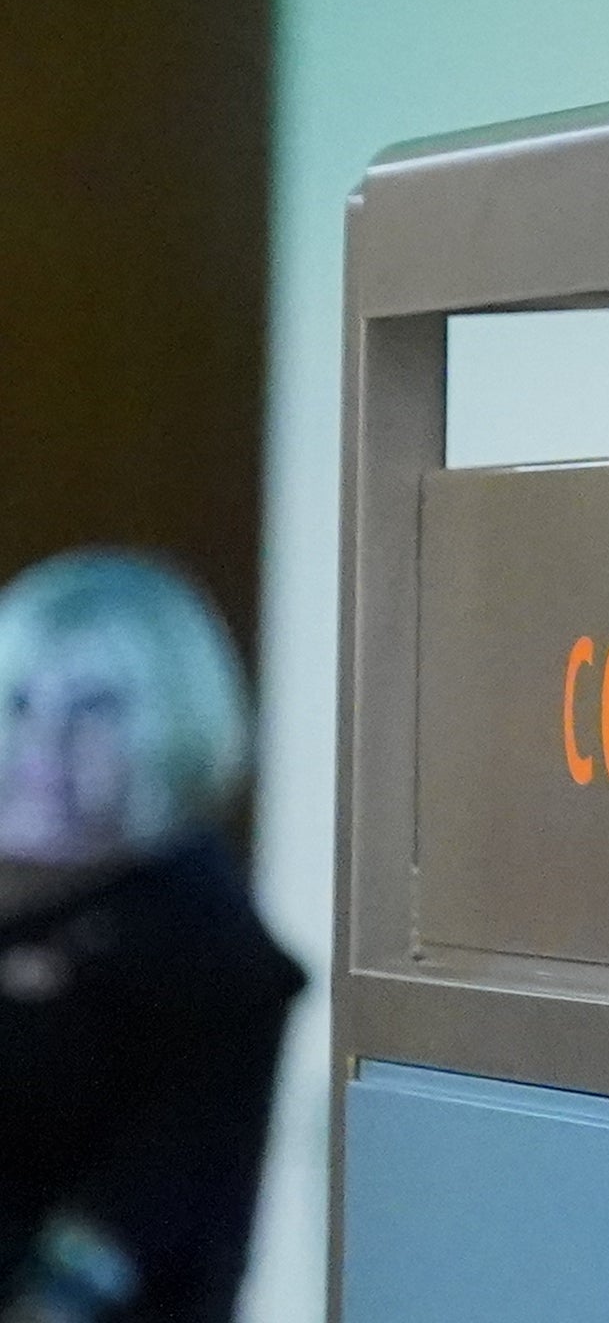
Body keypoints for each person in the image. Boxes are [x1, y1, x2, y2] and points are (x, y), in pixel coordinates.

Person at [0, 551, 304, 1323]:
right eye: (23, 701)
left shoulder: (206, 949)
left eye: (94, 708)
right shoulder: (38, 907)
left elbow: (115, 1245)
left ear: (176, 722)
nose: (46, 741)